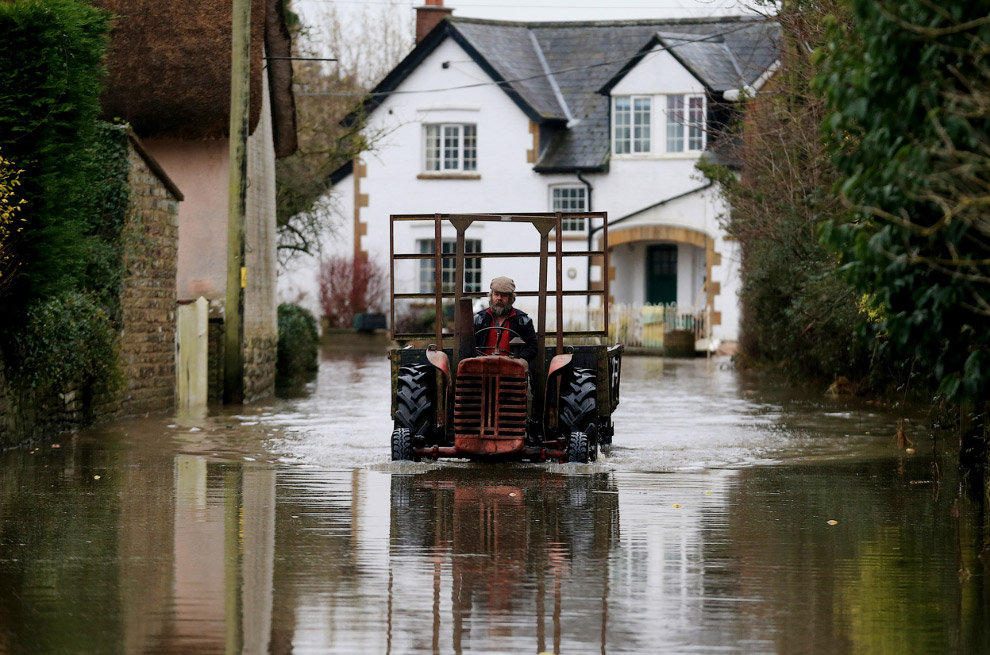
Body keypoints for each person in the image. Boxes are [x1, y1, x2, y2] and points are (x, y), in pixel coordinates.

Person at [473, 276, 538, 364]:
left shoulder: (523, 321)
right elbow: (467, 346)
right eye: (496, 294)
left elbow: (532, 346)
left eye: (503, 295)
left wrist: (520, 360)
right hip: (482, 367)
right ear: (491, 296)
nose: (499, 298)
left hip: (512, 369)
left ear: (511, 298)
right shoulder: (478, 320)